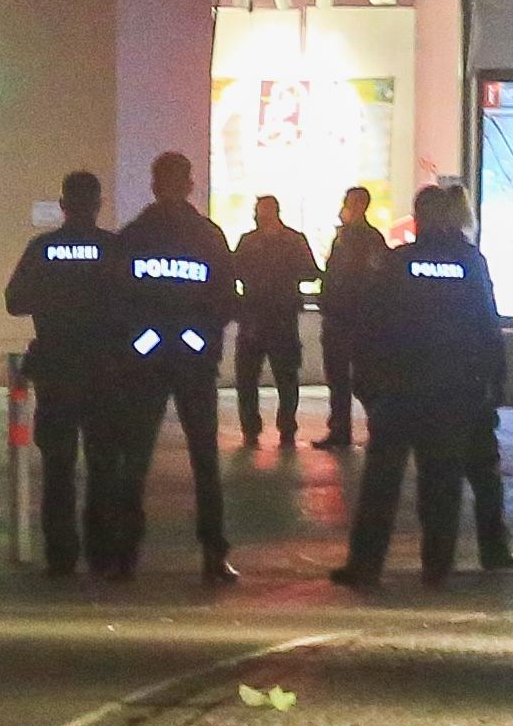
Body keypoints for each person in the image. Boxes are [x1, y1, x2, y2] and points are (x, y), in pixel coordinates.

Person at [335, 182, 510, 586]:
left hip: (400, 388)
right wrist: (492, 383)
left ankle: (364, 564)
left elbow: (371, 325)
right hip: (452, 390)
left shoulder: (397, 262)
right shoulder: (469, 262)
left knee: (382, 480)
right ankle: (437, 564)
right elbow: (487, 326)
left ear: (418, 218)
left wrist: (367, 381)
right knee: (441, 481)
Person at [99, 151, 237, 584]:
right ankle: (213, 555)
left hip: (145, 362)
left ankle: (126, 554)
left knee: (134, 459)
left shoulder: (135, 236)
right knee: (204, 460)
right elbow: (226, 301)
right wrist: (197, 339)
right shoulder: (207, 236)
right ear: (189, 185)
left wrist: (144, 341)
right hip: (193, 364)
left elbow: (115, 301)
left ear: (155, 184)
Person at [1, 173, 126, 577]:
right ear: (97, 203)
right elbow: (134, 303)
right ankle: (102, 552)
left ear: (63, 204)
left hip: (56, 367)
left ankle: (61, 553)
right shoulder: (113, 249)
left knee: (58, 466)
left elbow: (14, 301)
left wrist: (53, 300)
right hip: (104, 370)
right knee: (104, 465)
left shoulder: (44, 249)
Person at [225, 195, 316, 451]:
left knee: (249, 377)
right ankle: (285, 428)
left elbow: (233, 272)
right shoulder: (294, 240)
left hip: (255, 318)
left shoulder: (248, 241)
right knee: (286, 378)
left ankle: (252, 429)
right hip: (282, 319)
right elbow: (311, 272)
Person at [313, 184, 391, 453]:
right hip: (343, 319)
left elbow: (369, 280)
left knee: (360, 379)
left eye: (348, 203)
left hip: (355, 321)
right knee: (340, 377)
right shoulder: (349, 239)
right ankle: (341, 429)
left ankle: (371, 428)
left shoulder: (366, 240)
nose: (343, 209)